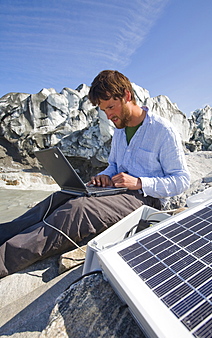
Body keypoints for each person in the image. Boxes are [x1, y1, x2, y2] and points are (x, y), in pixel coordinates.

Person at [0, 70, 190, 277]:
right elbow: (114, 166)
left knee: (77, 209)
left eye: (111, 107)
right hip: (116, 189)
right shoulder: (119, 129)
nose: (108, 115)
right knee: (61, 196)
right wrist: (105, 175)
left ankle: (4, 259)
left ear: (127, 96)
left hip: (144, 199)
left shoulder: (162, 131)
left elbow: (181, 180)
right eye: (104, 110)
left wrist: (140, 182)